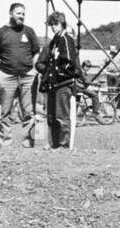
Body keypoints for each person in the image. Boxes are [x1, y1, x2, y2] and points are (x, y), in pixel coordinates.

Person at [0, 3, 41, 147]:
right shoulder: (0, 33)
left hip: (28, 76)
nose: (22, 16)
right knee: (5, 112)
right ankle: (5, 144)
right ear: (10, 13)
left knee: (30, 111)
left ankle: (30, 143)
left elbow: (36, 52)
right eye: (18, 13)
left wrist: (34, 70)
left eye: (23, 14)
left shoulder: (29, 31)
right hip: (7, 76)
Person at [35, 12, 84, 149]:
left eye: (55, 24)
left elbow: (69, 62)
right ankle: (53, 144)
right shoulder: (54, 42)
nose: (53, 27)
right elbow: (44, 62)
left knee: (61, 117)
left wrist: (59, 72)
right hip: (53, 84)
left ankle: (63, 146)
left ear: (62, 24)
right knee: (51, 117)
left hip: (63, 83)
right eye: (51, 25)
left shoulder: (66, 39)